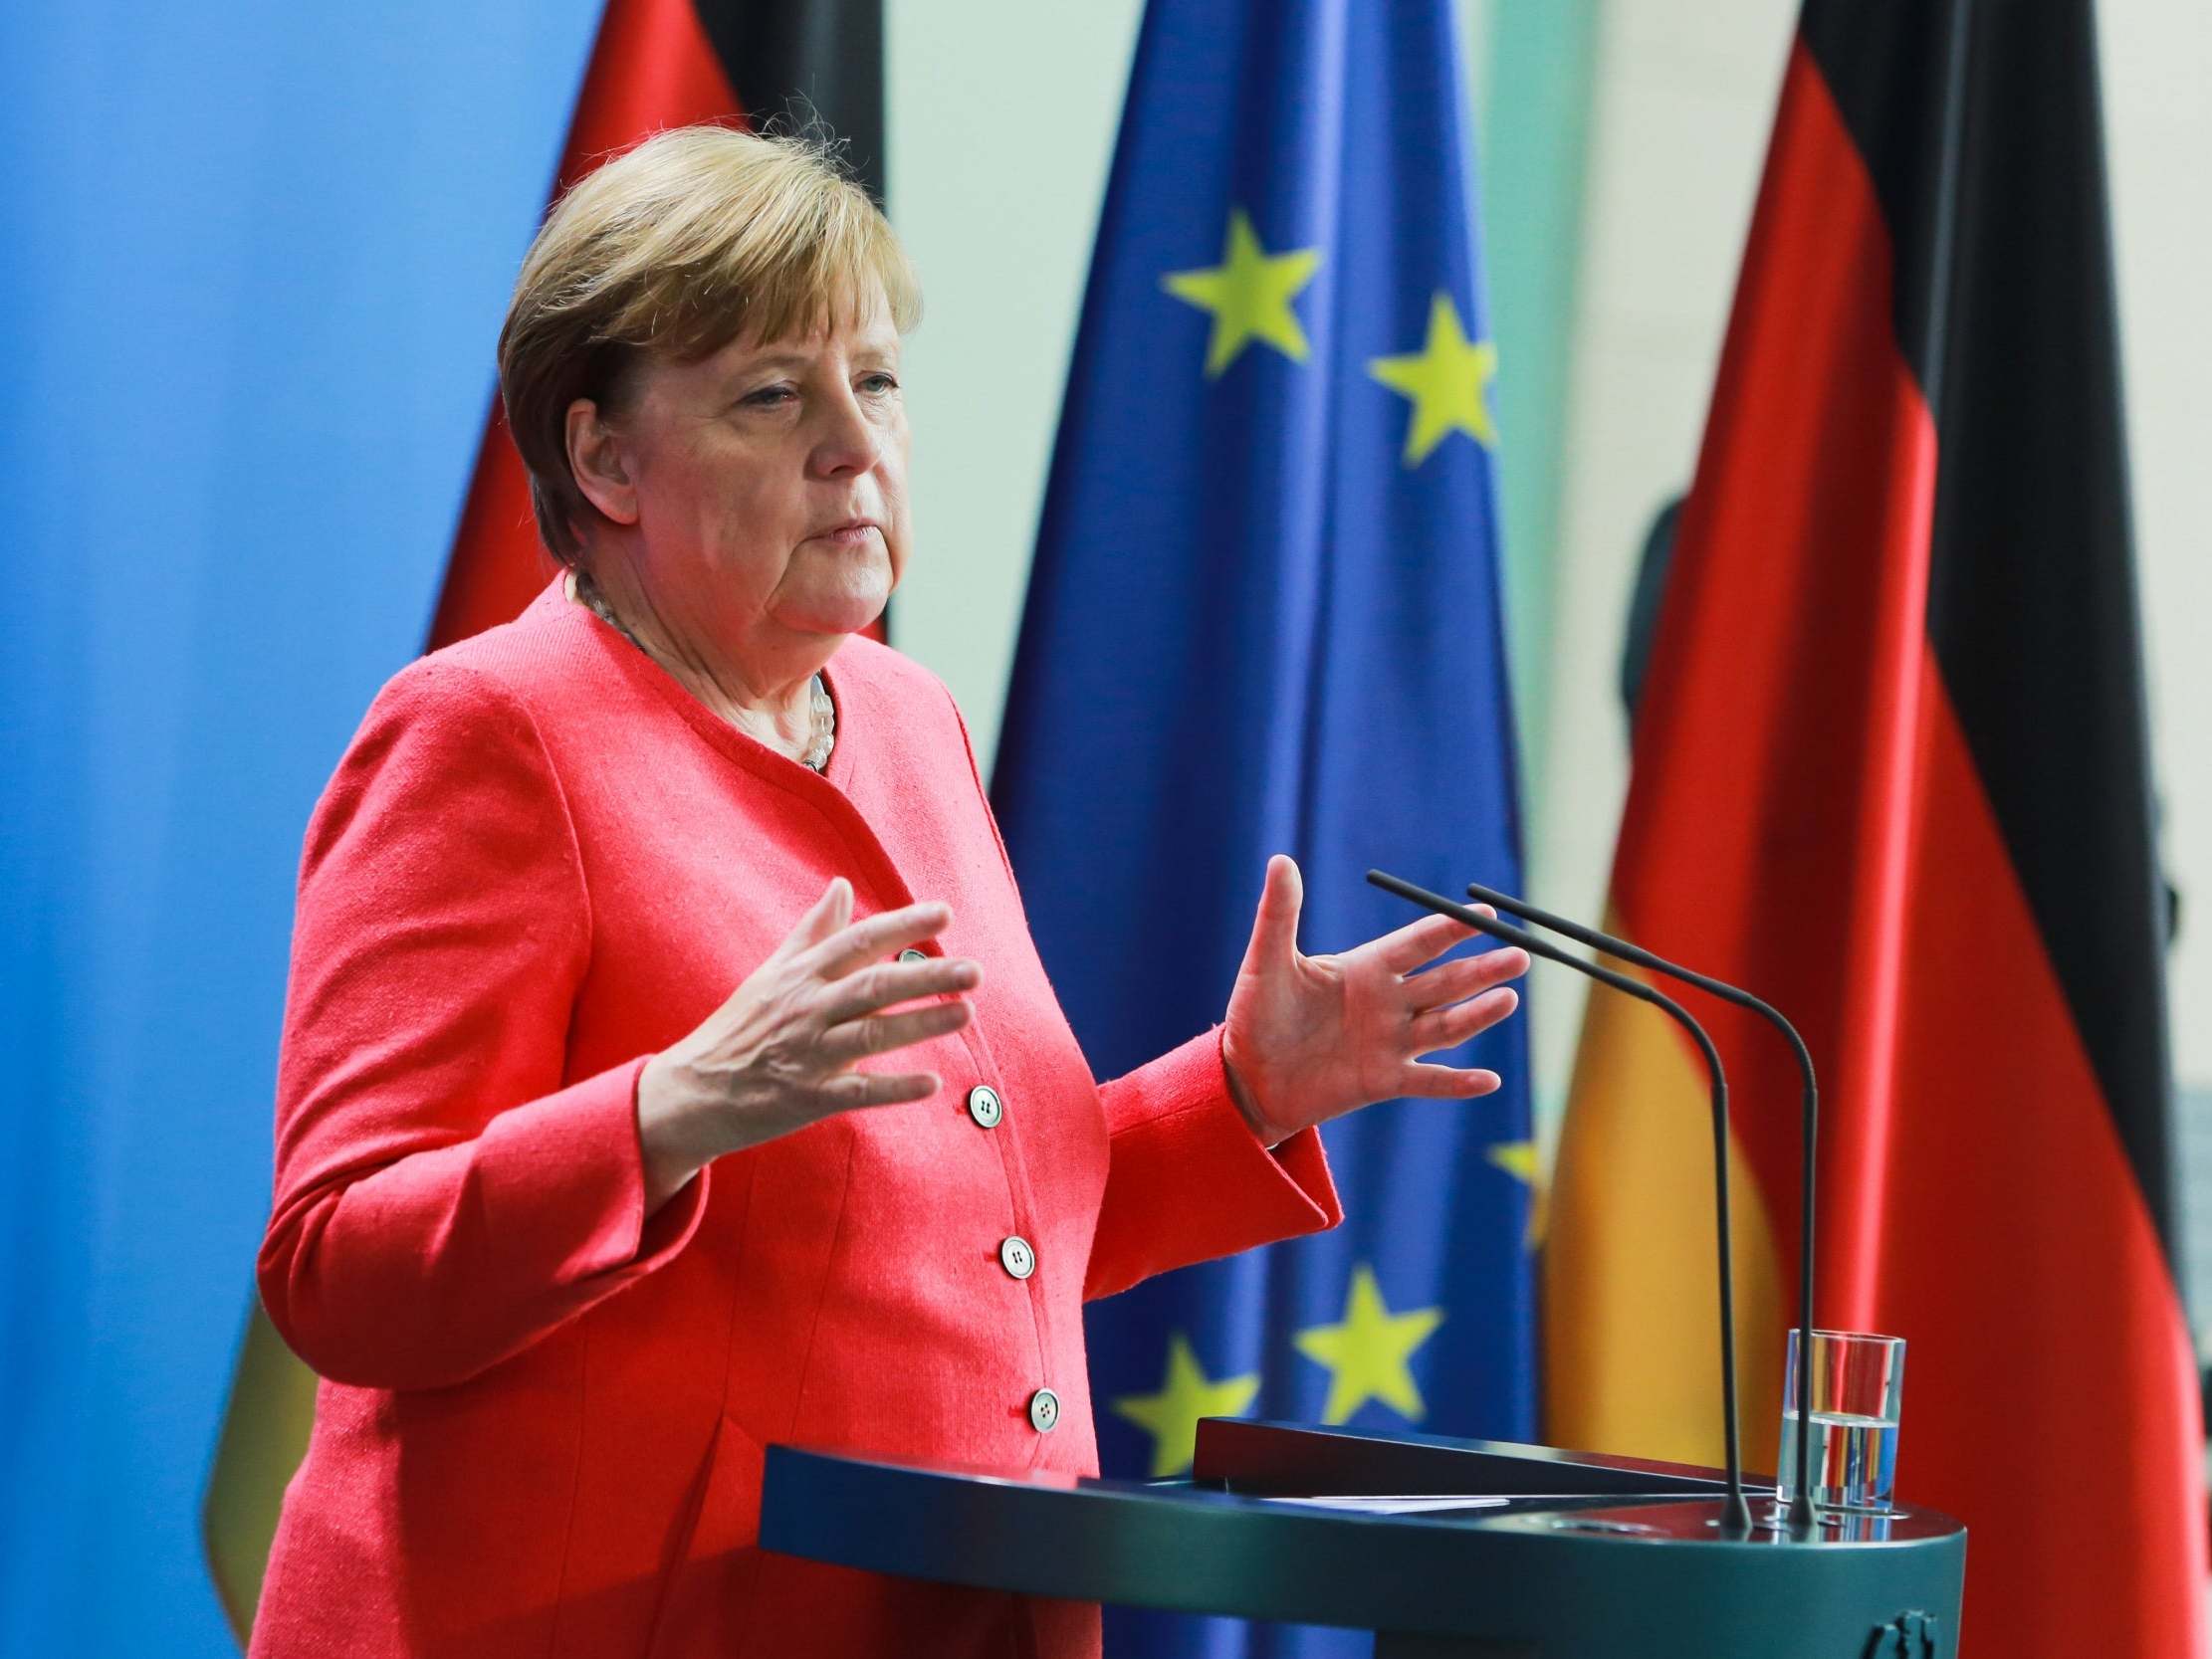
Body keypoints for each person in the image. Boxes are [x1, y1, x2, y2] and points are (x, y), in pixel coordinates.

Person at [249, 124, 1529, 1659]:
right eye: (773, 394)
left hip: (945, 1614)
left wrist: (1247, 1091)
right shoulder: (491, 735)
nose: (853, 444)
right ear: (601, 458)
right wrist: (666, 1113)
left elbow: (962, 1234)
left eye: (876, 380)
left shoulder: (905, 720)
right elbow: (338, 1272)